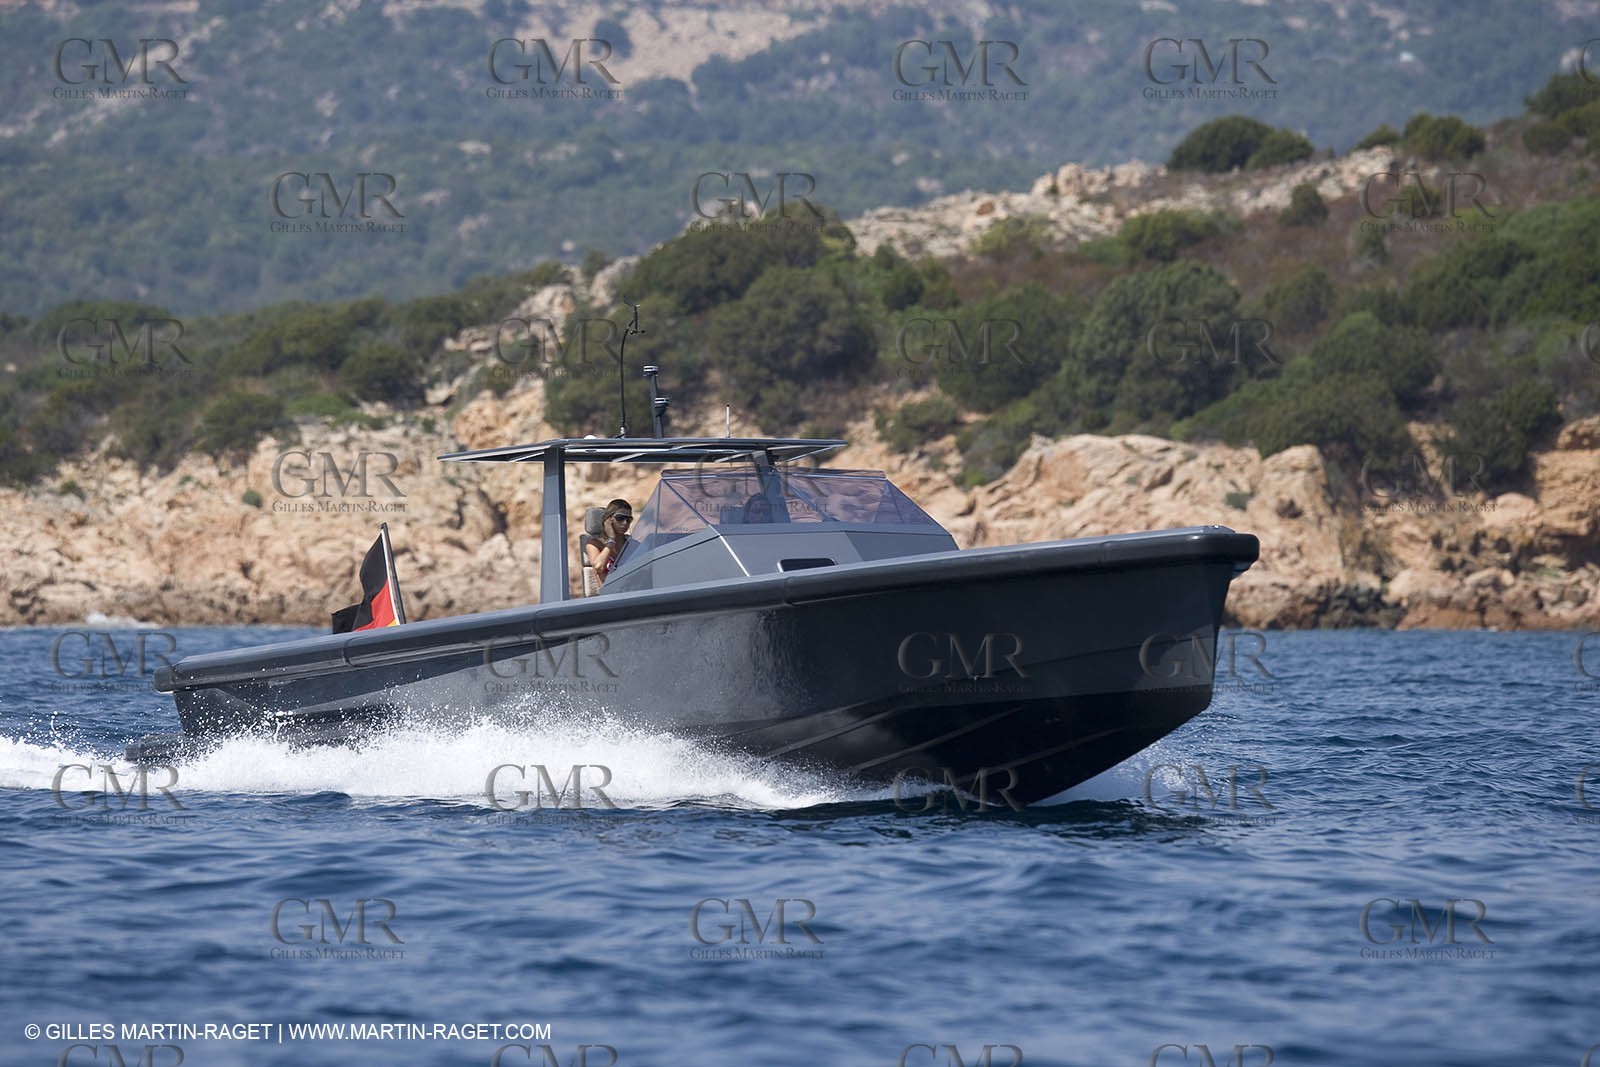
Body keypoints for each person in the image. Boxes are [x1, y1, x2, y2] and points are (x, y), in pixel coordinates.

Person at [585, 498, 633, 584]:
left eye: (629, 520)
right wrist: (611, 541)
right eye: (620, 518)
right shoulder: (594, 544)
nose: (625, 523)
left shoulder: (631, 543)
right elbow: (599, 567)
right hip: (610, 594)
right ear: (608, 519)